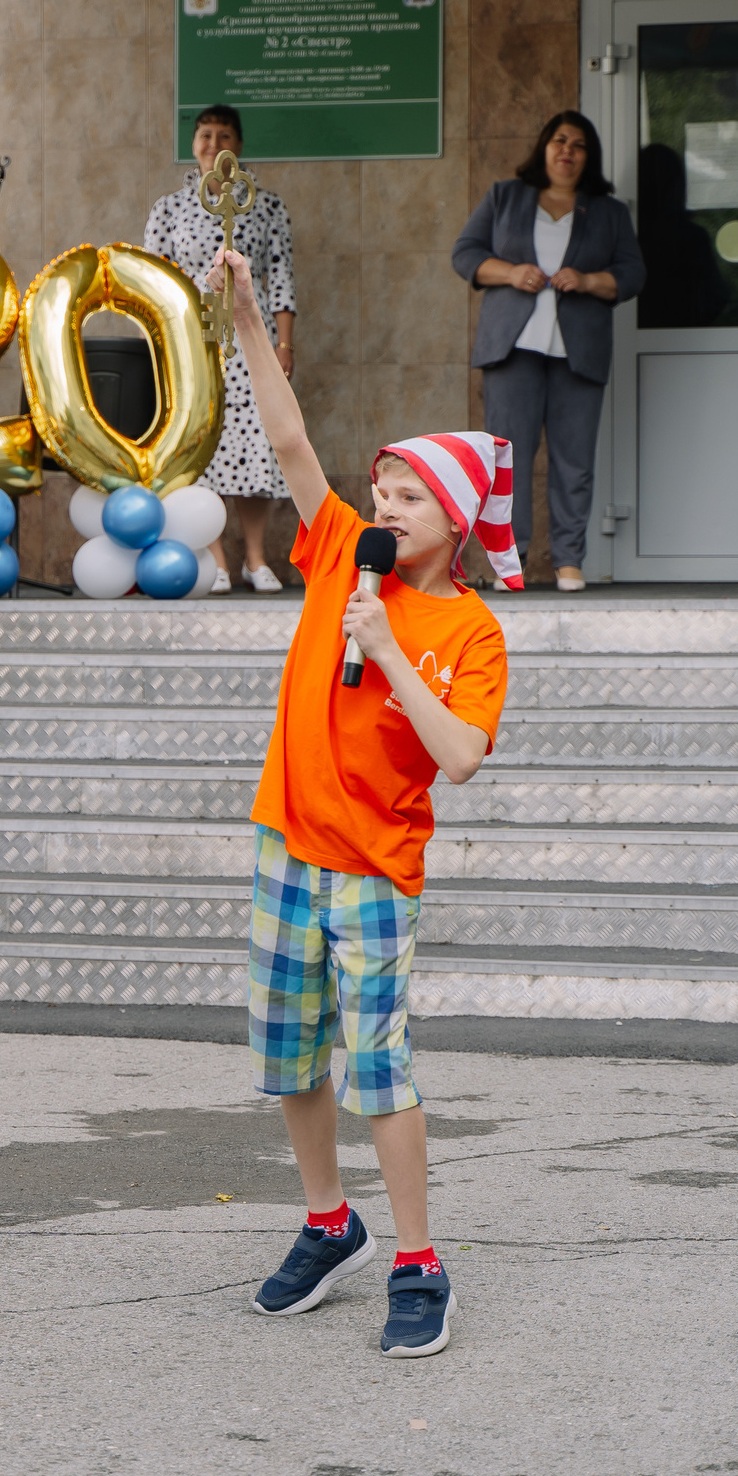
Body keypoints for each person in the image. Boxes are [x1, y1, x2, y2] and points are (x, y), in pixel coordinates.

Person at [211, 243, 512, 1359]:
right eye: (379, 487)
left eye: (405, 494)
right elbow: (287, 438)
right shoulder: (341, 552)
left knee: (376, 1064)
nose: (380, 503)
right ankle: (326, 1221)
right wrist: (246, 318)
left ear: (457, 520)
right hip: (286, 843)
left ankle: (418, 1260)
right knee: (290, 1053)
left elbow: (462, 755)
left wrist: (385, 651)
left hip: (375, 868)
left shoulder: (465, 629)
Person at [452, 110, 645, 593]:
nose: (567, 150)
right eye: (559, 140)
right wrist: (511, 272)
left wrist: (589, 280)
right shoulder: (506, 196)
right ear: (544, 147)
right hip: (512, 349)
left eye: (578, 145)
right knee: (507, 463)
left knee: (574, 460)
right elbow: (466, 254)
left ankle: (568, 561)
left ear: (588, 157)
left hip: (578, 351)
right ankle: (509, 561)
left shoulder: (609, 211)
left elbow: (633, 274)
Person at [144, 105, 298, 594]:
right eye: (205, 134)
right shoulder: (169, 207)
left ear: (238, 144)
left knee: (256, 445)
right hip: (193, 340)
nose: (213, 143)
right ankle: (216, 561)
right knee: (202, 445)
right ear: (193, 143)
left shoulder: (266, 205)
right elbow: (152, 280)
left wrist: (285, 342)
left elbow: (282, 278)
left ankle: (255, 558)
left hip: (249, 339)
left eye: (223, 135)